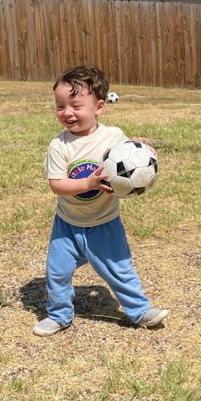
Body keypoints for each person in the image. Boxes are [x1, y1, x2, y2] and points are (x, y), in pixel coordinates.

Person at [33, 65, 169, 337]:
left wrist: (143, 148)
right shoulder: (59, 146)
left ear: (99, 107)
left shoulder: (112, 137)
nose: (67, 113)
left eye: (75, 106)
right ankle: (59, 315)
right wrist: (87, 184)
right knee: (57, 273)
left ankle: (140, 311)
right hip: (68, 225)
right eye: (60, 106)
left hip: (105, 223)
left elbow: (130, 154)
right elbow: (56, 184)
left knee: (120, 270)